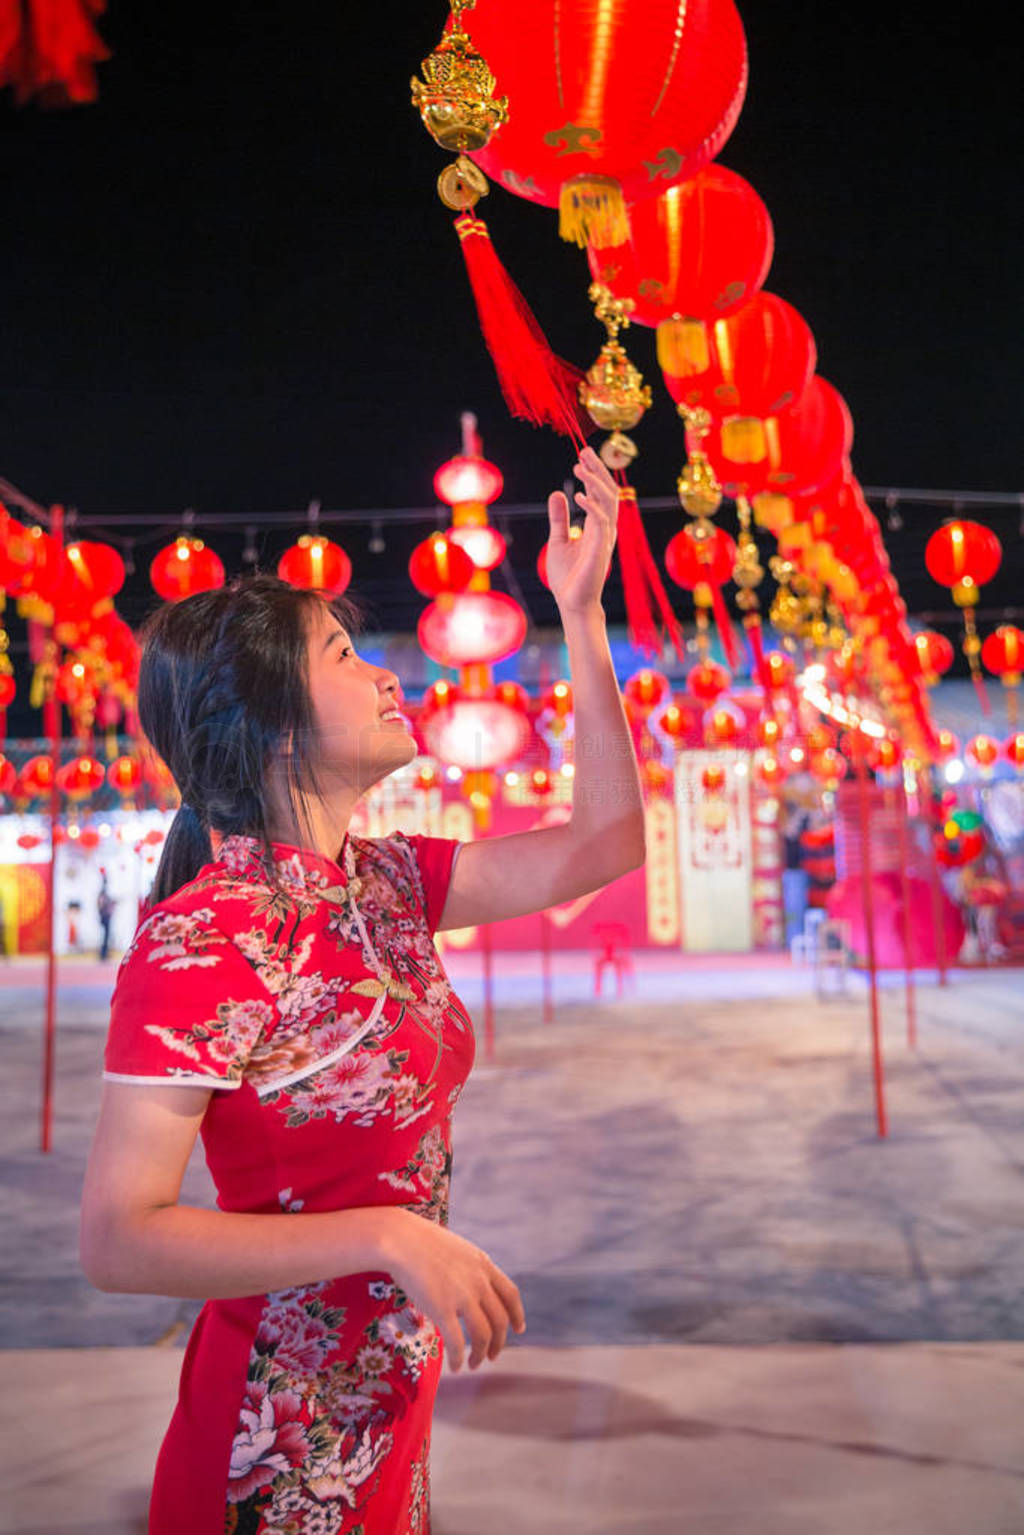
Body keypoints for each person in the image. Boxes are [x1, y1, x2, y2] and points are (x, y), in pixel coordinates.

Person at [79, 445, 646, 1535]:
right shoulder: (208, 934)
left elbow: (606, 840)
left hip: (392, 1401)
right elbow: (118, 1238)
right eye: (344, 652)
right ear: (275, 717)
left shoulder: (385, 882)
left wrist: (580, 613)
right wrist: (385, 1233)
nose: (389, 671)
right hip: (272, 1440)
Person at [97, 870, 115, 961]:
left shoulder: (103, 894)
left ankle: (104, 953)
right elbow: (101, 905)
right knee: (105, 936)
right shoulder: (103, 894)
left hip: (105, 917)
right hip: (105, 917)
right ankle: (103, 953)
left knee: (106, 936)